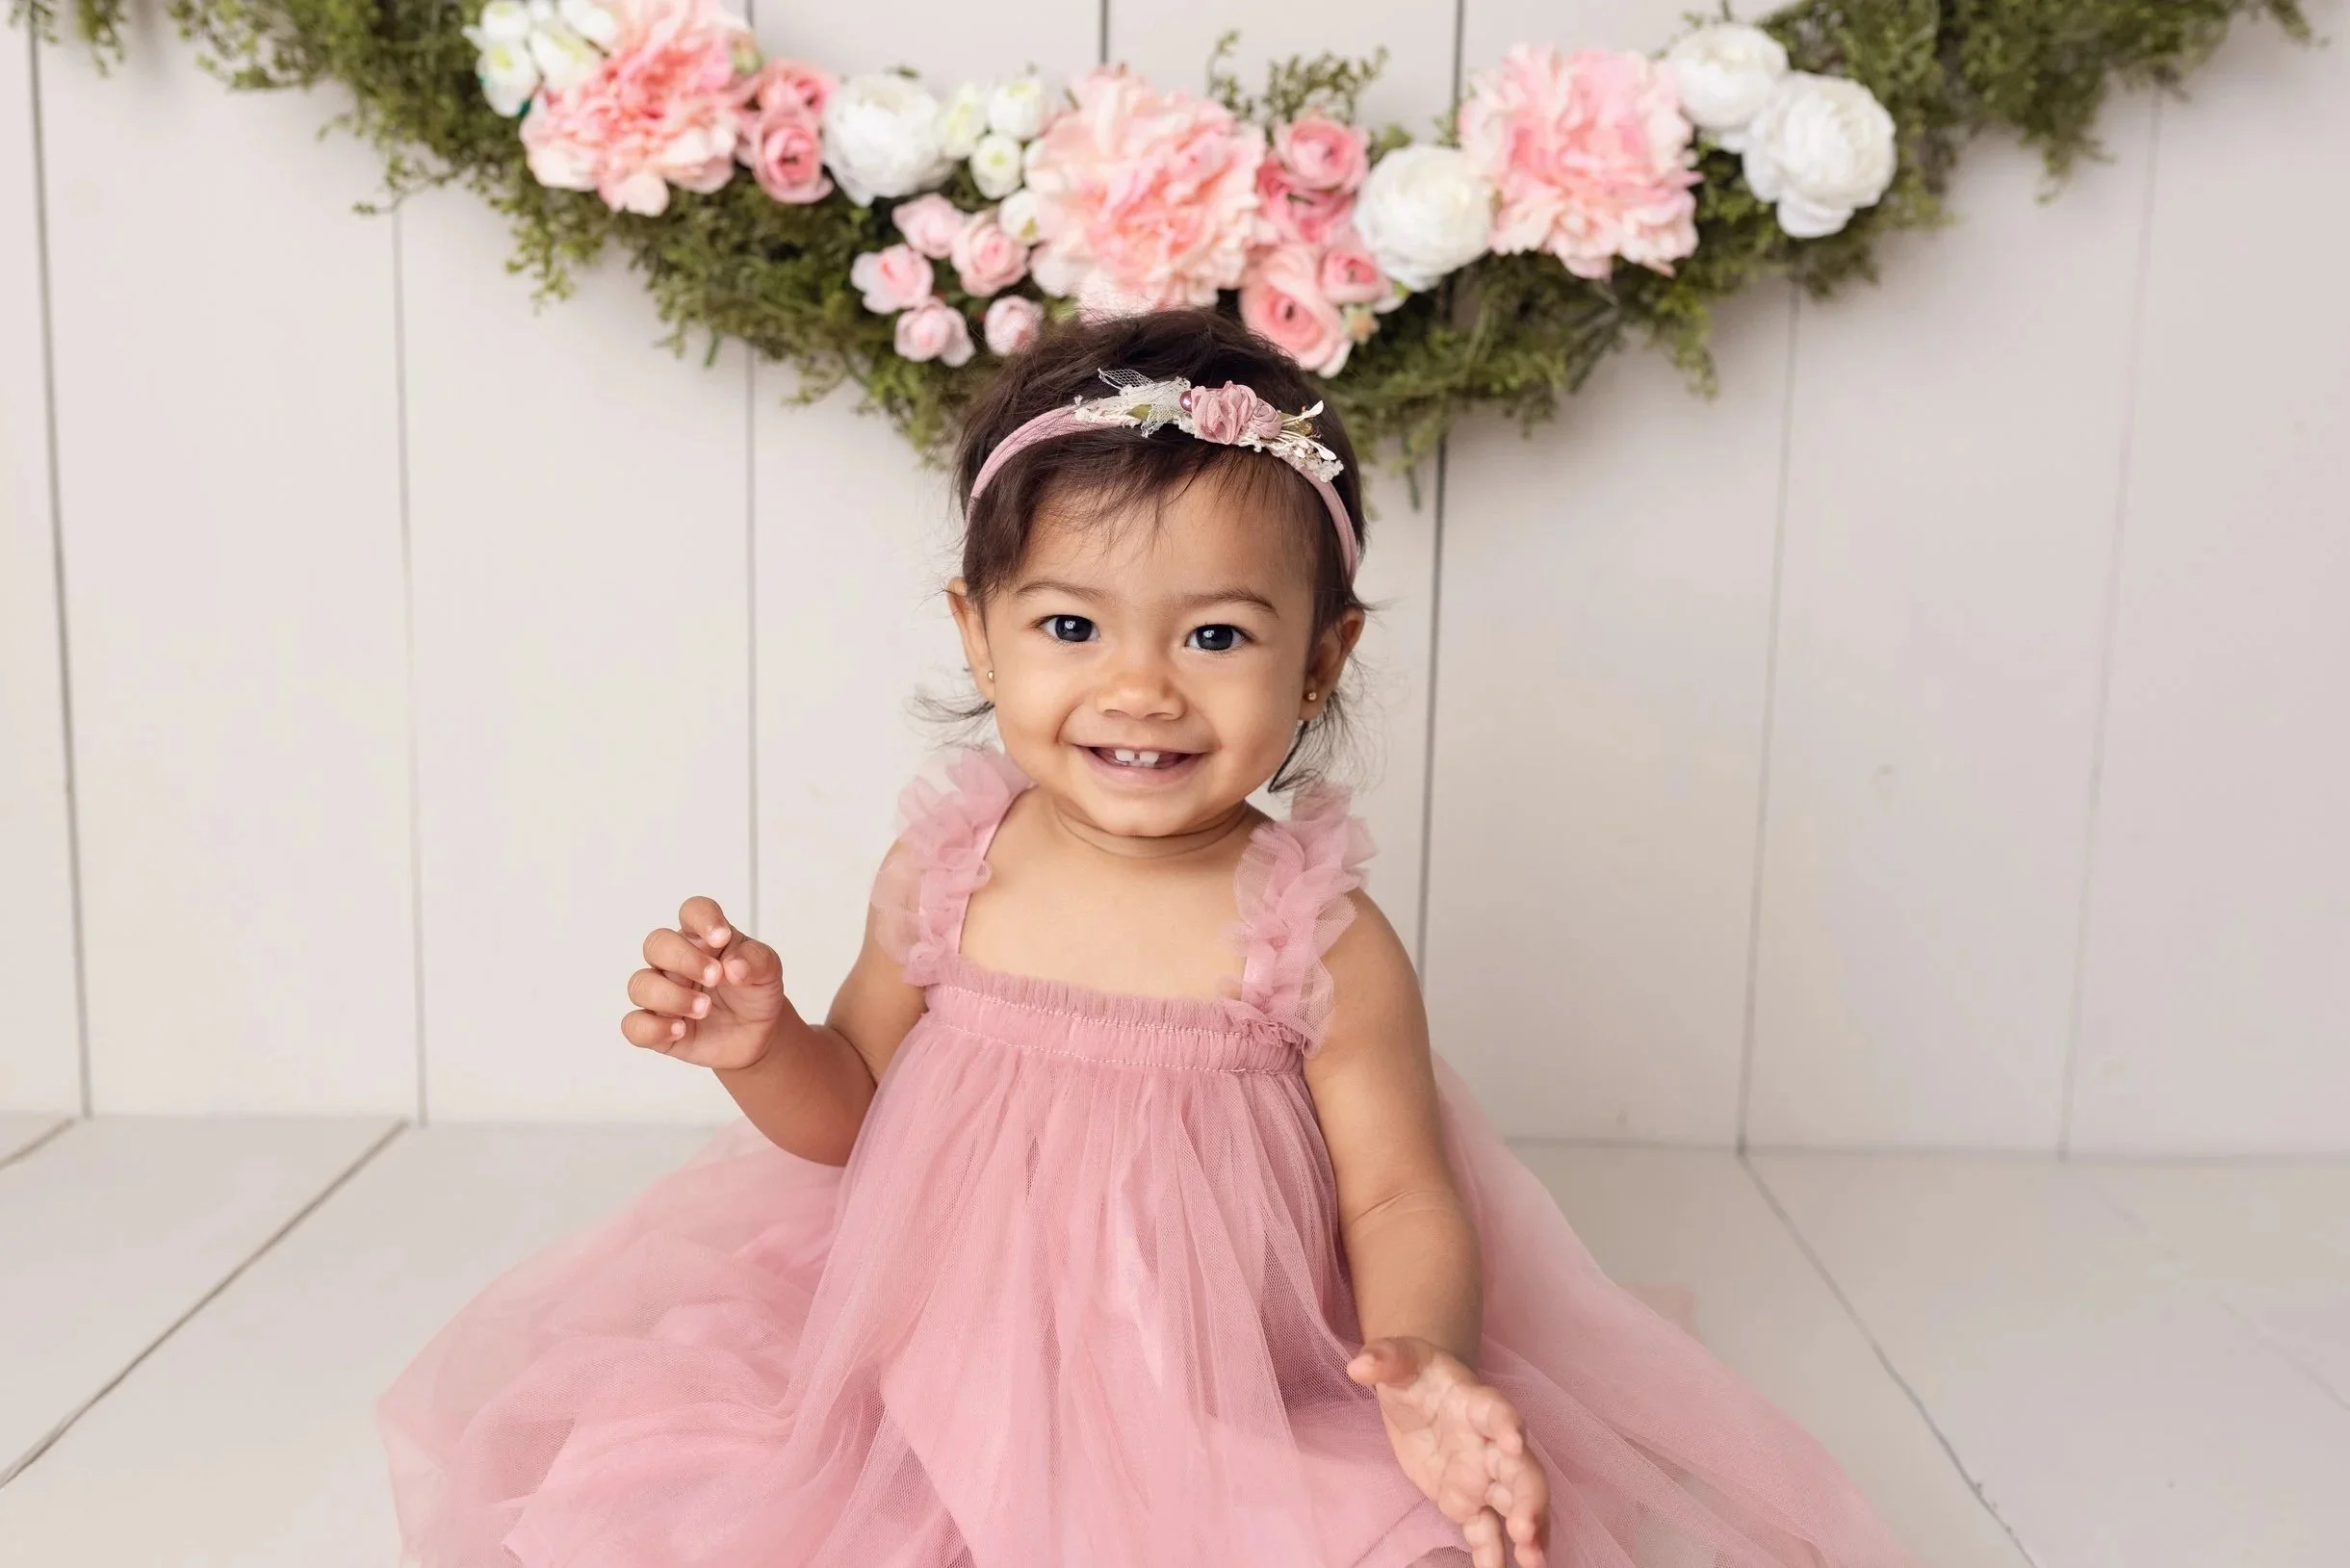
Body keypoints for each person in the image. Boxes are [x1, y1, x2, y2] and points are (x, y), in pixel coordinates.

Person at [378, 307, 1919, 1568]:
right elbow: (855, 1116)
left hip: (1219, 1385)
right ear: (975, 630)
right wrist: (766, 1049)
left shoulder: (1314, 934)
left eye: (1217, 635)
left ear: (1323, 660)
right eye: (1071, 627)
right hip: (932, 1370)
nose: (1142, 688)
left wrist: (1426, 1366)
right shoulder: (950, 868)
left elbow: (1396, 1195)